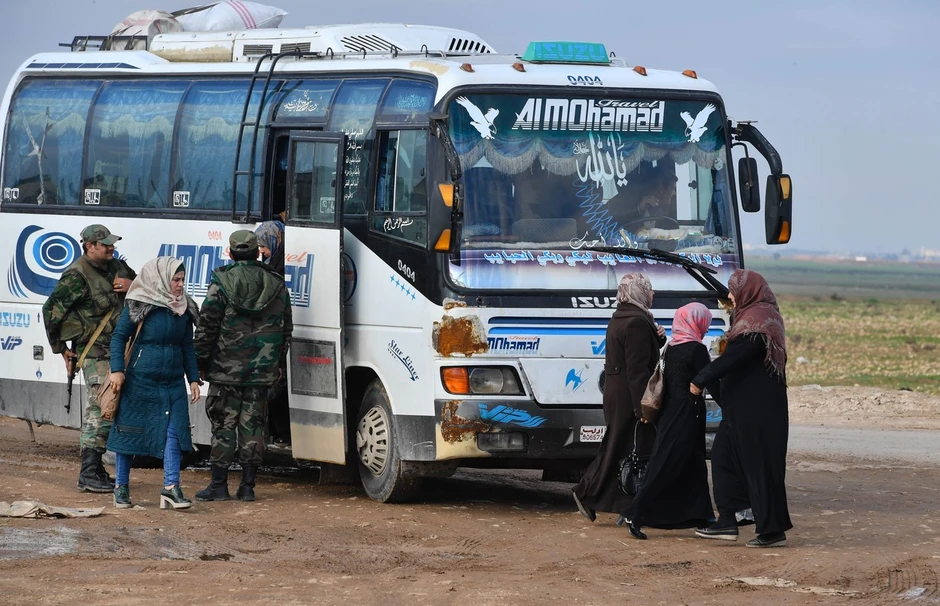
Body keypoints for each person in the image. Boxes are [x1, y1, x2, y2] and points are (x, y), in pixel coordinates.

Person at [691, 269, 793, 548]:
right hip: (740, 411)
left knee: (760, 468)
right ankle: (726, 521)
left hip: (759, 412)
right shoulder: (748, 319)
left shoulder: (758, 323)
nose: (731, 296)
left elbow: (736, 357)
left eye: (734, 290)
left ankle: (772, 531)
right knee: (724, 458)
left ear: (748, 291)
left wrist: (701, 378)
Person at [193, 230, 293, 502]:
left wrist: (199, 363)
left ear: (230, 252)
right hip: (262, 371)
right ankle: (248, 487)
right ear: (257, 251)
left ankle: (219, 485)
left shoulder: (221, 282)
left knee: (224, 426)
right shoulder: (276, 284)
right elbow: (286, 330)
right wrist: (276, 363)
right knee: (254, 427)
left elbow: (207, 327)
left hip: (225, 370)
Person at [42, 224, 136, 493]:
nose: (110, 247)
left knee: (107, 408)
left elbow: (146, 288)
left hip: (121, 349)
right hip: (96, 352)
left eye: (111, 243)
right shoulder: (77, 275)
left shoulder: (119, 268)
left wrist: (133, 285)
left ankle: (94, 469)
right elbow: (51, 310)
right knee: (103, 406)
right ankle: (88, 472)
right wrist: (60, 348)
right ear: (89, 246)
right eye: (104, 244)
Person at [106, 257, 201, 509]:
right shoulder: (140, 304)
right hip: (139, 381)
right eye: (176, 280)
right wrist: (117, 370)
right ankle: (121, 487)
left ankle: (171, 488)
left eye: (182, 280)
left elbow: (187, 346)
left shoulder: (184, 308)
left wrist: (193, 378)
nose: (180, 285)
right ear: (160, 279)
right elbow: (118, 338)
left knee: (174, 432)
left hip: (171, 383)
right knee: (129, 432)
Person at [622, 302, 721, 540]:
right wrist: (730, 404)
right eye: (704, 322)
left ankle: (703, 516)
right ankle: (634, 513)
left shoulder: (672, 346)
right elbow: (710, 380)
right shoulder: (696, 350)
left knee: (693, 464)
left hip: (669, 413)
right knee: (665, 464)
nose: (706, 327)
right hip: (686, 415)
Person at [572, 273, 666, 521]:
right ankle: (586, 493)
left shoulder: (623, 316)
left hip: (618, 393)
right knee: (624, 449)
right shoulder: (636, 322)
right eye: (649, 289)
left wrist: (658, 339)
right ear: (638, 291)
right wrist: (643, 409)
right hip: (628, 396)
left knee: (620, 447)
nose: (653, 294)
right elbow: (637, 370)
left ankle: (623, 505)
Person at [254, 220, 290, 445]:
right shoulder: (271, 262)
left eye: (264, 246)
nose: (262, 252)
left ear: (276, 240)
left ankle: (282, 433)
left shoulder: (284, 261)